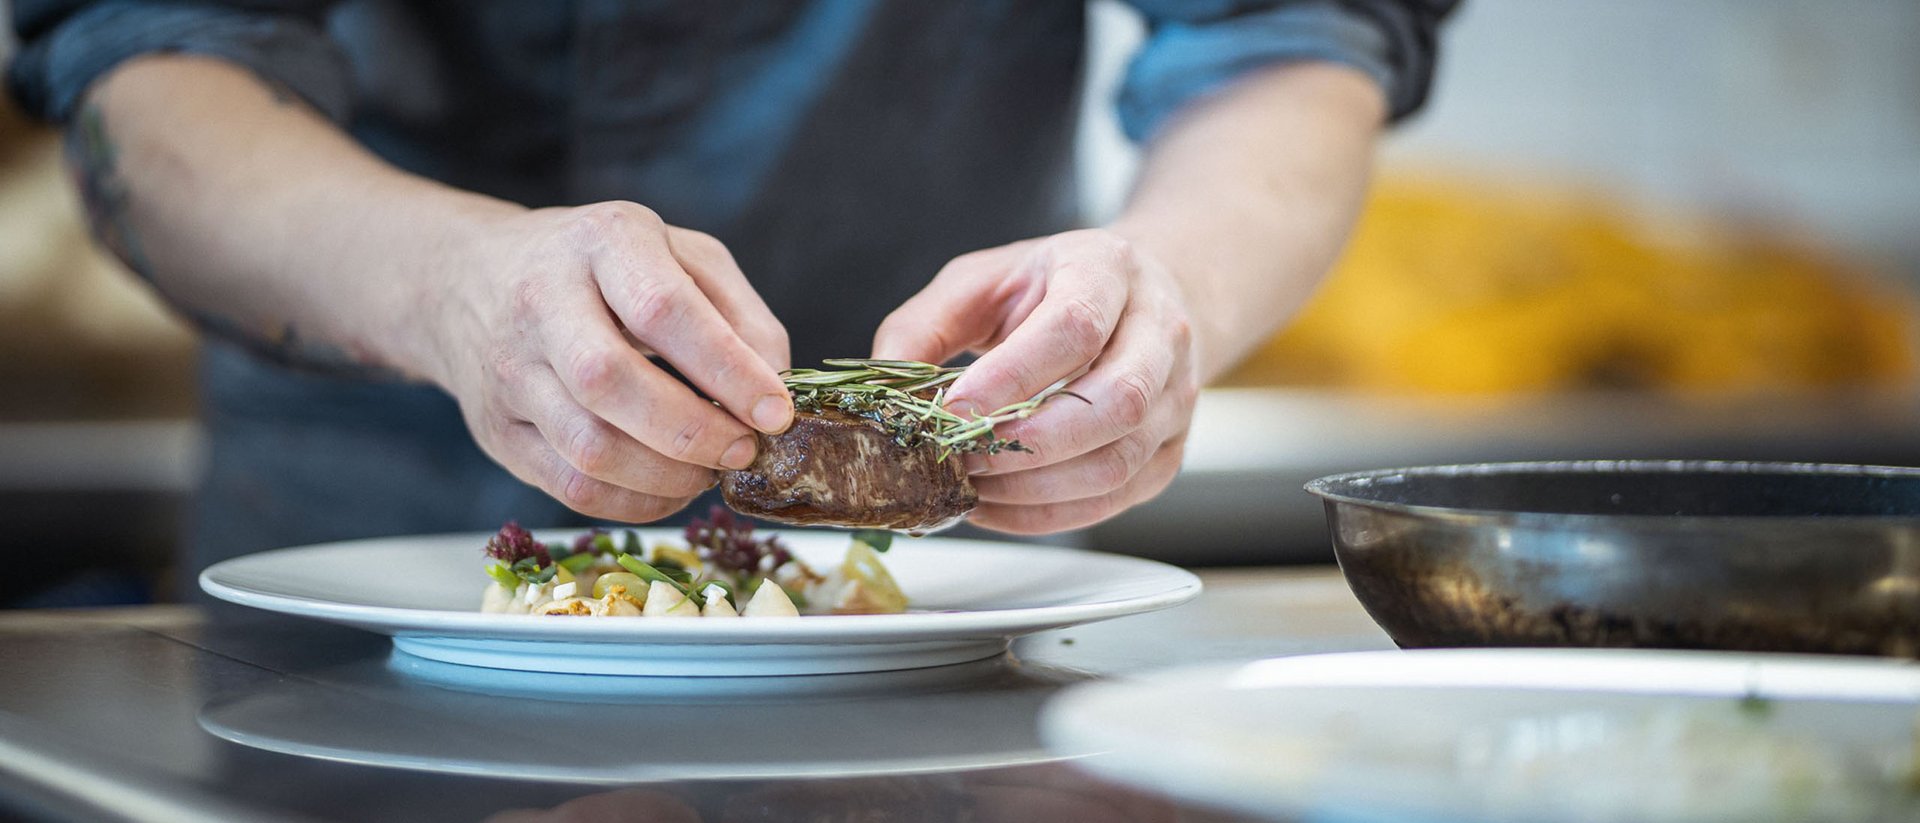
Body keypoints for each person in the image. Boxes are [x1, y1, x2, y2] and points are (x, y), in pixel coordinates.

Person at [8, 1, 1456, 571]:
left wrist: (1168, 289)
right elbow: (148, 64)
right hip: (361, 556)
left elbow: (1289, 33)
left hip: (954, 580)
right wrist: (447, 290)